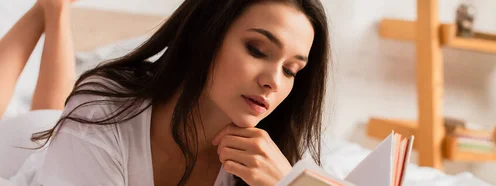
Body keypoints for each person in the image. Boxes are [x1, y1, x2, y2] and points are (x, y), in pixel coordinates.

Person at [3, 0, 330, 185]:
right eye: (257, 50)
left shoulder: (277, 164)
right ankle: (52, 10)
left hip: (71, 143)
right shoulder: (99, 112)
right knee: (45, 117)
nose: (274, 80)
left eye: (291, 70)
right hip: (28, 154)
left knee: (49, 112)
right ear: (206, 35)